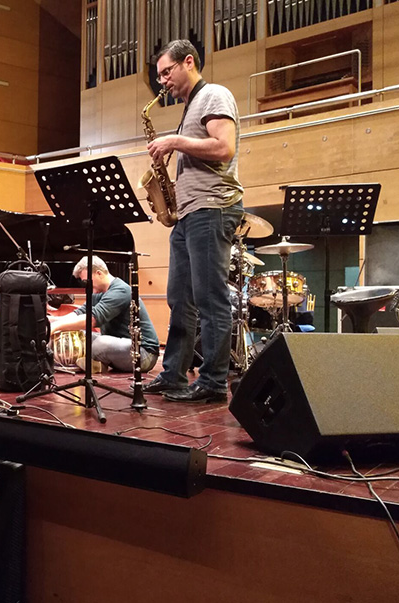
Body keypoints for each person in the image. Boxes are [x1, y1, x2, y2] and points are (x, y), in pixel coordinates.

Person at [143, 39, 244, 403]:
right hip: (188, 214)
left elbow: (224, 148)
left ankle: (213, 382)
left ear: (189, 62)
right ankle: (173, 374)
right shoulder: (189, 109)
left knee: (210, 298)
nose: (162, 82)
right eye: (159, 76)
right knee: (179, 298)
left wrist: (174, 141)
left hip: (211, 208)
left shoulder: (214, 94)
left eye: (166, 72)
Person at [49, 256, 159, 373]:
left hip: (143, 354)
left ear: (99, 273)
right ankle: (98, 363)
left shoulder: (120, 290)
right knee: (79, 334)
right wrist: (53, 320)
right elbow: (80, 312)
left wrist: (56, 326)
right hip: (120, 347)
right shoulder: (99, 292)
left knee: (100, 343)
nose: (86, 285)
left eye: (87, 281)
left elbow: (93, 319)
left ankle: (96, 361)